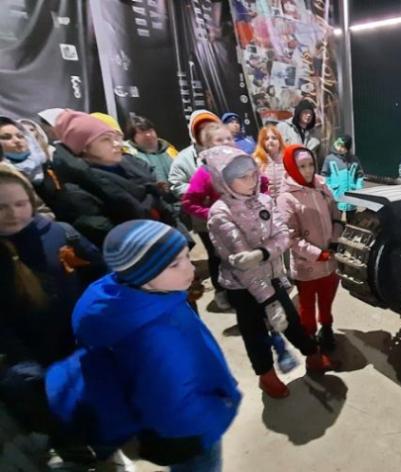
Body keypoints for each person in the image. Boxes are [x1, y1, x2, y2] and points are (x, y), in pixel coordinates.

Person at [44, 220, 241, 471]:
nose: (190, 268)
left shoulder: (128, 296)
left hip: (170, 424)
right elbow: (173, 403)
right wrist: (220, 409)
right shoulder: (157, 333)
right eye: (174, 264)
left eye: (186, 257)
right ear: (143, 274)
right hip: (191, 431)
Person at [205, 145, 336, 399]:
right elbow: (242, 264)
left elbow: (283, 236)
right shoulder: (220, 214)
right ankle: (266, 375)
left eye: (253, 174)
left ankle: (312, 356)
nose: (251, 181)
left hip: (272, 276)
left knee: (291, 321)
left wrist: (262, 254)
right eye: (242, 177)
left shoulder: (264, 200)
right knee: (255, 332)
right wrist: (268, 299)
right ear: (224, 181)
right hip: (242, 286)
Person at [0, 168, 105, 466]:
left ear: (31, 200)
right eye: (1, 207)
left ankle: (106, 445)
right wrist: (22, 361)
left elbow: (98, 271)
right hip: (35, 358)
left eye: (20, 203)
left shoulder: (59, 232)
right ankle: (76, 452)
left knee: (98, 402)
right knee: (61, 415)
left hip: (83, 340)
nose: (13, 213)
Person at [38, 110, 181, 246]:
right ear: (84, 147)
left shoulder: (134, 166)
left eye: (116, 137)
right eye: (105, 140)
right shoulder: (77, 191)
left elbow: (162, 206)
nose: (117, 144)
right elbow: (107, 234)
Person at [277, 145, 343, 351]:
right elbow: (290, 237)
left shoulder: (322, 185)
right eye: (302, 166)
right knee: (306, 304)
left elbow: (336, 214)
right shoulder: (286, 197)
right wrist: (316, 254)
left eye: (310, 165)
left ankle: (327, 327)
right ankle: (310, 334)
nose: (308, 171)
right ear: (291, 167)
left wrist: (334, 240)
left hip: (329, 259)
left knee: (327, 299)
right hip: (307, 265)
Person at [182, 123, 238, 310]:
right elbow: (189, 202)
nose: (226, 142)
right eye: (219, 140)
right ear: (208, 146)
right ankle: (226, 294)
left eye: (229, 138)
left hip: (248, 227)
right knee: (226, 263)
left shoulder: (244, 163)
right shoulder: (205, 172)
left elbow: (262, 185)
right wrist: (212, 214)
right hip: (223, 230)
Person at [169, 110, 221, 199]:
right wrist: (200, 190)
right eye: (201, 129)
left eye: (211, 127)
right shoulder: (182, 159)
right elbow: (177, 186)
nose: (206, 132)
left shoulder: (230, 151)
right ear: (193, 133)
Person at [125, 114, 179, 185]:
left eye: (150, 130)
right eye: (142, 132)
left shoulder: (170, 150)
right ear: (133, 138)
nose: (148, 135)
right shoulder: (130, 156)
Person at [321, 135, 364, 214]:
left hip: (351, 197)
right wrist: (329, 190)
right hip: (336, 196)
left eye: (343, 147)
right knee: (336, 218)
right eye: (339, 145)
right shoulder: (329, 159)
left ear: (348, 148)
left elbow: (360, 176)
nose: (339, 148)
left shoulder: (355, 160)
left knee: (352, 219)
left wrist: (359, 189)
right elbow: (325, 176)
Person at [0, 116, 48, 183]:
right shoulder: (3, 176)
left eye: (20, 136)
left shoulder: (47, 166)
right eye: (7, 137)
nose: (17, 140)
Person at [253, 124, 286, 199]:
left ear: (280, 141)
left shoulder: (287, 158)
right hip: (267, 202)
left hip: (286, 201)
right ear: (262, 142)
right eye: (267, 139)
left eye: (274, 138)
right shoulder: (258, 160)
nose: (270, 141)